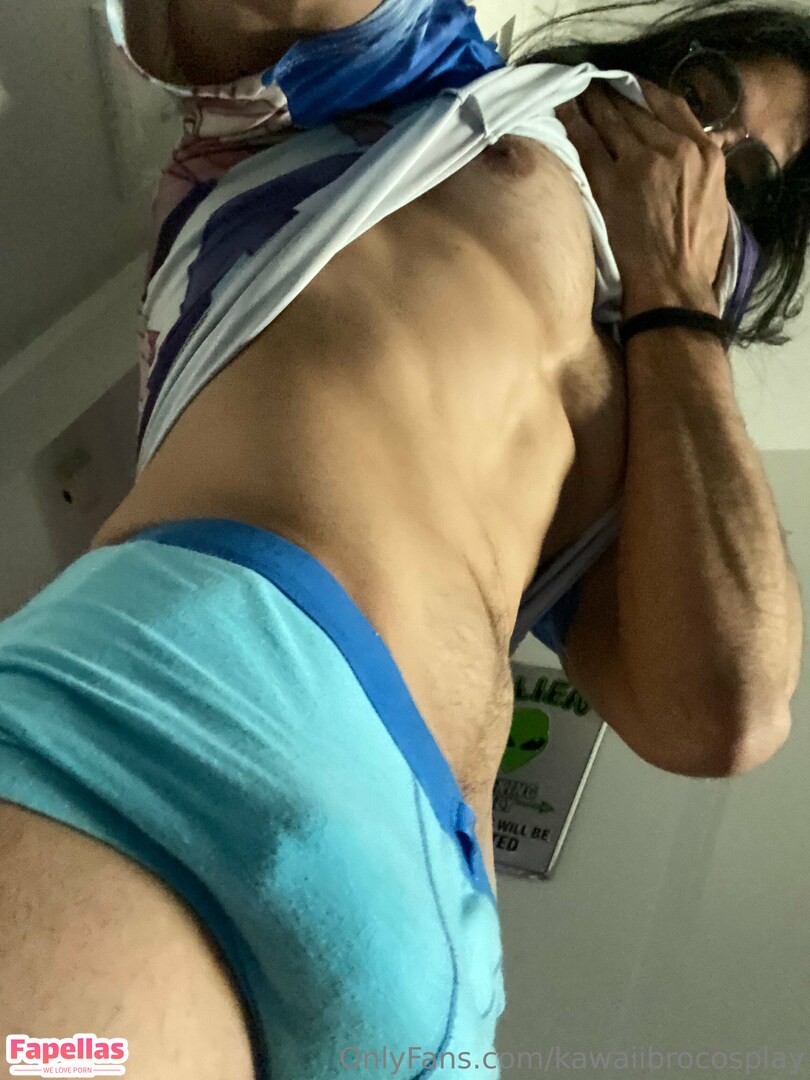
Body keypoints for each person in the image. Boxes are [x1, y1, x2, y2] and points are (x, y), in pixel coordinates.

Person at [0, 0, 804, 1076]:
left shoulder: (659, 419)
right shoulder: (448, 92)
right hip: (194, 721)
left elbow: (727, 707)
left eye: (744, 176)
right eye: (708, 101)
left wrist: (676, 297)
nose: (704, 154)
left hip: (439, 952)